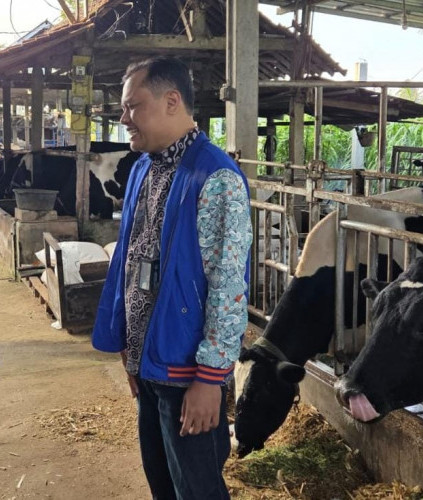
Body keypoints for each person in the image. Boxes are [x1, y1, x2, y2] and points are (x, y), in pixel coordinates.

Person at [92, 56, 252, 499]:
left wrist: (210, 378)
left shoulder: (216, 177)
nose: (123, 118)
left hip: (186, 374)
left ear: (171, 101)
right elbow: (129, 259)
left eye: (132, 106)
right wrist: (128, 346)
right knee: (163, 485)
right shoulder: (143, 168)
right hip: (149, 362)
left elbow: (228, 287)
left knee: (196, 490)